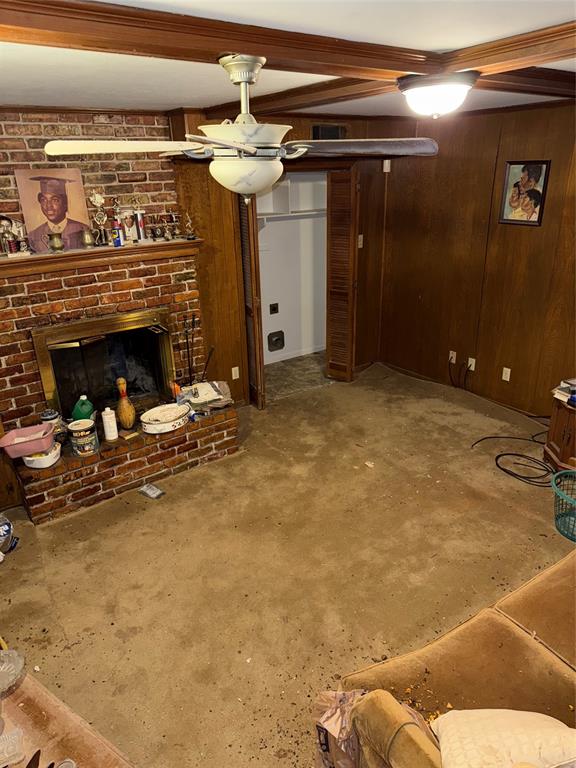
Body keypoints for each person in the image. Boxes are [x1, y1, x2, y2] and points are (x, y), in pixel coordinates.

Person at [27, 176, 87, 253]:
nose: (48, 206)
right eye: (44, 200)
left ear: (65, 203)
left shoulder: (82, 229)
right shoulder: (34, 235)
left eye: (55, 200)